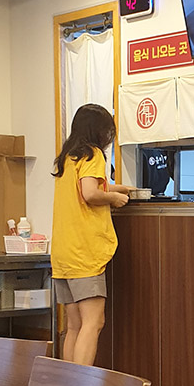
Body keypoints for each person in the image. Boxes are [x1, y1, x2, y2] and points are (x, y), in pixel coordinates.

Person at [51, 103, 131, 365]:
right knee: (94, 322)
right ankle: (81, 385)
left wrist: (120, 188)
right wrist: (113, 199)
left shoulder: (68, 157)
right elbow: (90, 193)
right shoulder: (92, 154)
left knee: (73, 326)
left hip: (64, 254)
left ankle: (68, 385)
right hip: (84, 254)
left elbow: (87, 186)